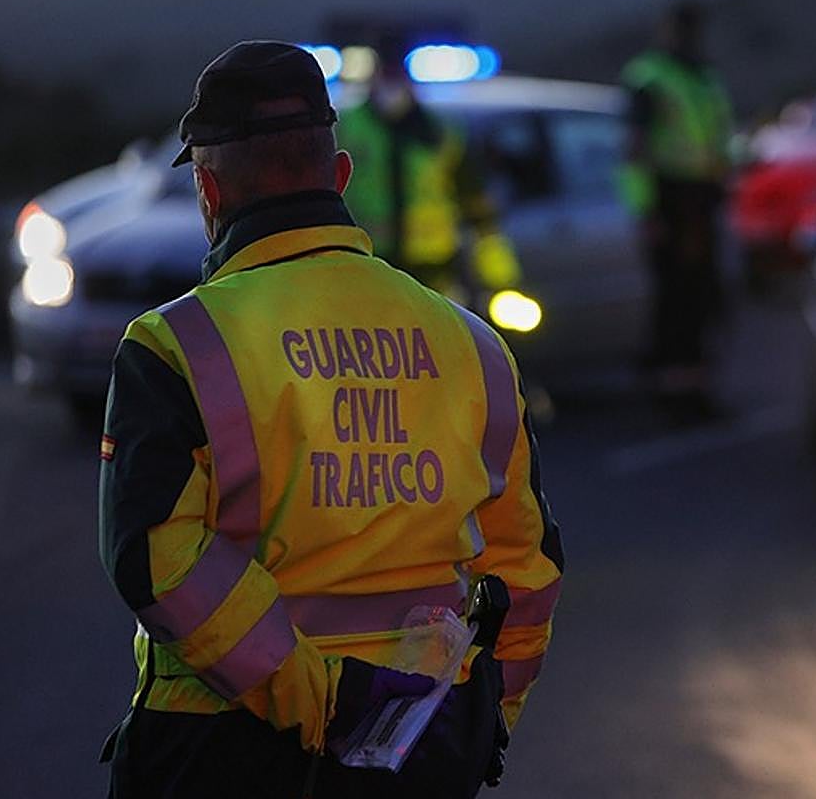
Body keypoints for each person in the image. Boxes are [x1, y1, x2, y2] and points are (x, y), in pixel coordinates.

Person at [97, 40, 563, 798]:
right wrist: (484, 719)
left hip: (218, 747)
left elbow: (157, 558)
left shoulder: (175, 345)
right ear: (340, 176)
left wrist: (319, 702)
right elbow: (527, 567)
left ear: (209, 193)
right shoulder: (473, 346)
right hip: (420, 744)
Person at [336, 43, 521, 303]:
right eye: (386, 76)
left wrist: (500, 279)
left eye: (397, 77)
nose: (392, 87)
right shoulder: (346, 127)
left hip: (434, 271)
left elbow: (477, 207)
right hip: (367, 267)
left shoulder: (441, 131)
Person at [621, 1, 733, 418]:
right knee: (676, 300)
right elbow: (634, 152)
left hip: (703, 200)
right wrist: (647, 211)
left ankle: (695, 390)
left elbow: (715, 138)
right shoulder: (650, 79)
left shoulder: (703, 77)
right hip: (672, 201)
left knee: (701, 297)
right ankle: (673, 395)